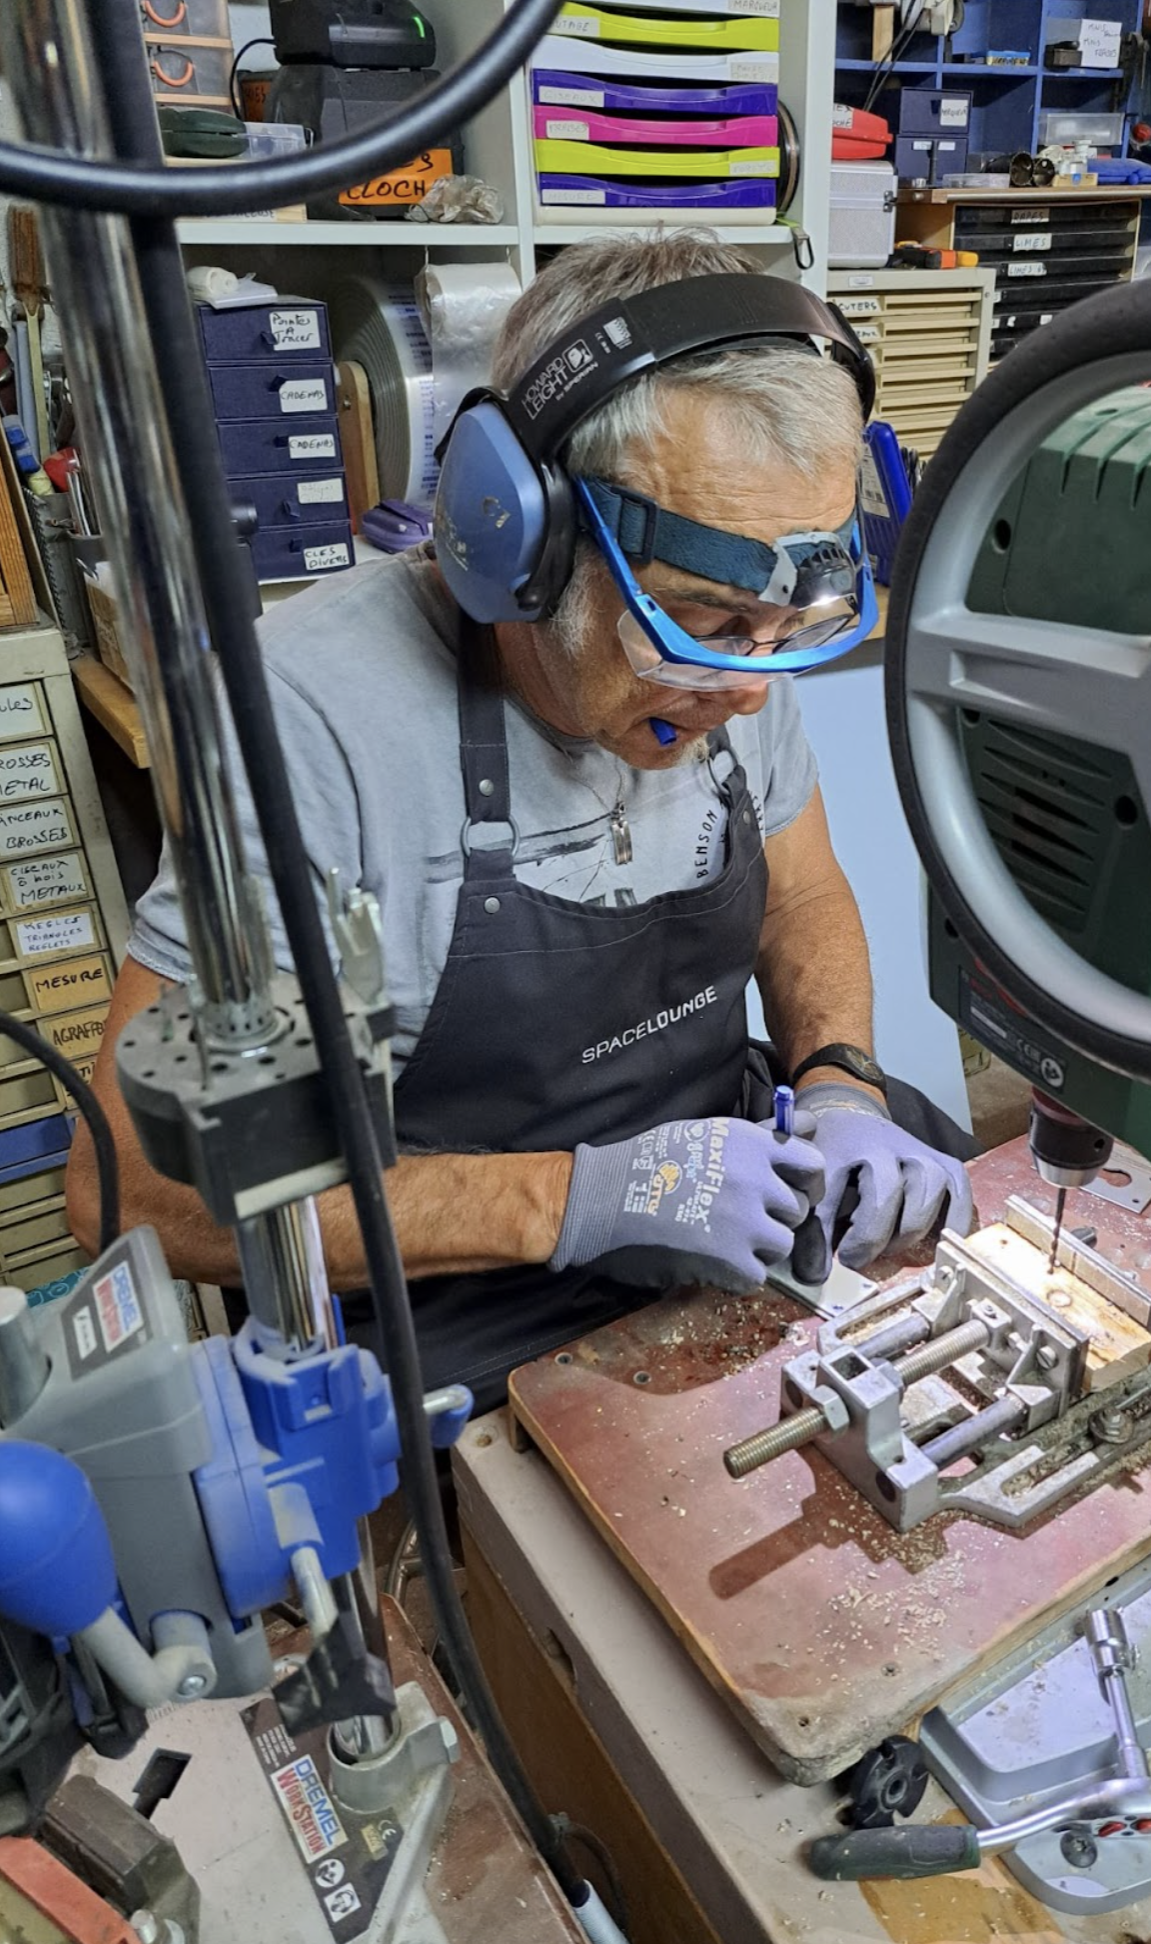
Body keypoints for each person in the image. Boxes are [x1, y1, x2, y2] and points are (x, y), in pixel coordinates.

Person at [67, 230, 975, 1409]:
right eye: (697, 620)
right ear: (516, 536)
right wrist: (576, 1202)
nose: (750, 687)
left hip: (731, 1175)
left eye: (783, 629)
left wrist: (844, 1085)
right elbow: (131, 1186)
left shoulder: (734, 658)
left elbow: (800, 898)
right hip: (462, 1287)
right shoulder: (310, 722)